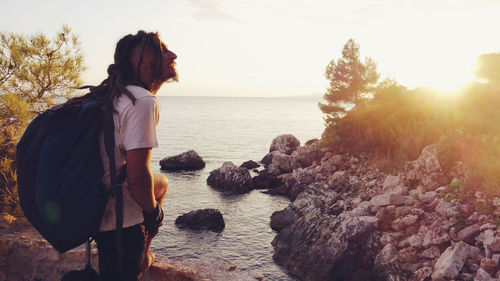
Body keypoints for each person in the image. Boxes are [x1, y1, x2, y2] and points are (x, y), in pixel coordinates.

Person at [87, 30, 177, 281]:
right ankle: (144, 253)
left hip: (99, 212)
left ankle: (145, 253)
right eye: (163, 50)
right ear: (142, 60)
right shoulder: (142, 101)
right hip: (122, 224)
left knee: (163, 182)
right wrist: (153, 214)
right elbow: (137, 178)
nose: (173, 55)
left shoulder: (113, 96)